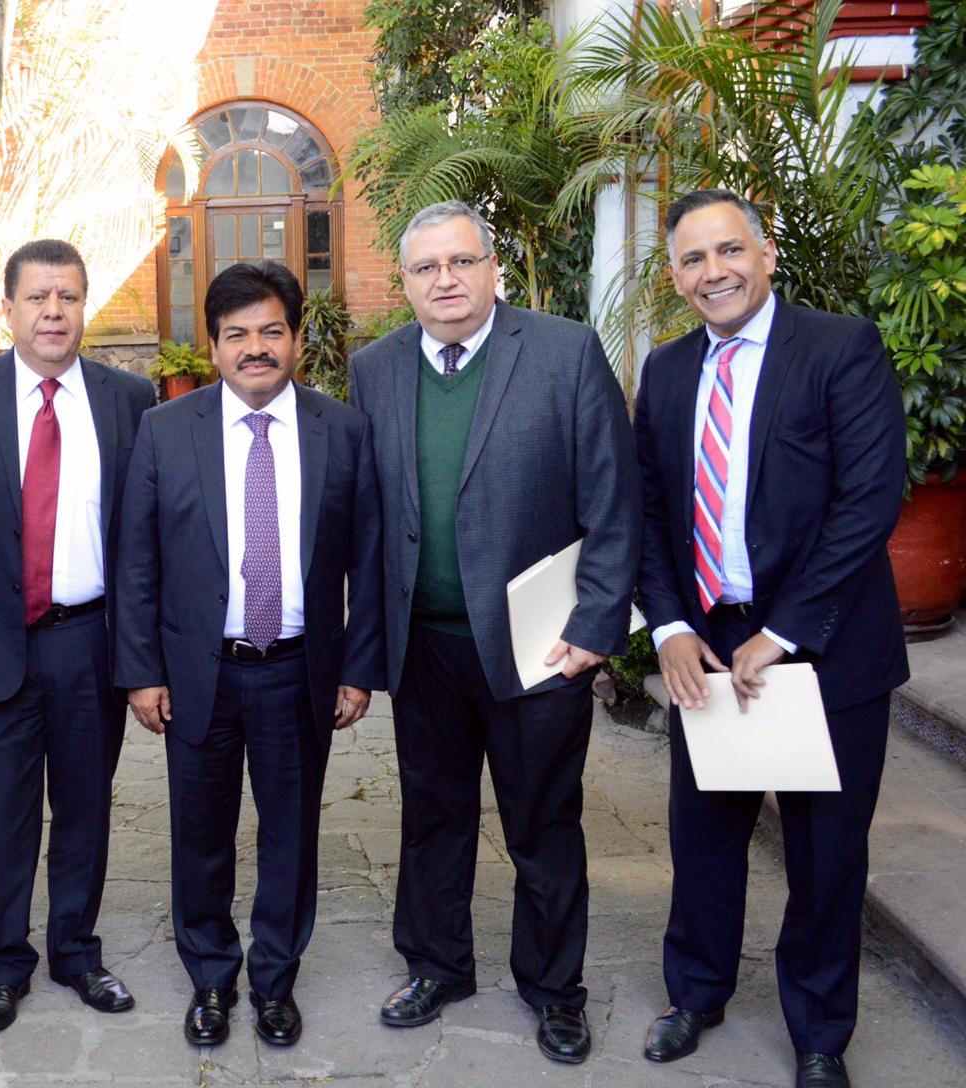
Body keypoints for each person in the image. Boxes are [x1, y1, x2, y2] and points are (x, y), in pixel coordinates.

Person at [349, 201, 640, 1064]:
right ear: (405, 283)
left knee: (543, 824)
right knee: (431, 816)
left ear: (492, 268)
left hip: (538, 646)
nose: (445, 280)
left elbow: (614, 499)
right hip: (424, 645)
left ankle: (554, 990)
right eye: (425, 268)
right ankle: (437, 966)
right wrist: (364, 647)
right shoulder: (375, 369)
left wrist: (596, 627)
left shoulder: (564, 353)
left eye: (461, 262)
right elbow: (368, 518)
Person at [634, 189, 909, 1088]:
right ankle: (696, 994)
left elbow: (869, 502)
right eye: (693, 259)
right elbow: (647, 513)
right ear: (675, 276)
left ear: (767, 253)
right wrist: (670, 626)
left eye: (729, 251)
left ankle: (820, 1034)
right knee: (704, 837)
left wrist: (785, 632)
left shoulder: (840, 348)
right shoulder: (667, 372)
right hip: (709, 647)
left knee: (826, 855)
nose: (713, 272)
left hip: (826, 648)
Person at [115, 261, 384, 1047]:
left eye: (272, 331)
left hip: (300, 671)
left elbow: (369, 558)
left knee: (290, 837)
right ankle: (209, 978)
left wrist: (359, 669)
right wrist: (141, 672)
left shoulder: (343, 431)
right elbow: (138, 561)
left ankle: (274, 981)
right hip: (199, 674)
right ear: (213, 345)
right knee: (199, 835)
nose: (255, 348)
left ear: (296, 340)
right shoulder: (167, 430)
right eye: (237, 334)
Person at [0, 239, 155, 1032]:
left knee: (85, 808)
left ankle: (77, 953)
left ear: (85, 306)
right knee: (0, 816)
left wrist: (143, 654)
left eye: (69, 297)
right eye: (38, 298)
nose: (54, 312)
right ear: (8, 307)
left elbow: (145, 536)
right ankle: (4, 964)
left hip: (91, 644)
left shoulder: (129, 399)